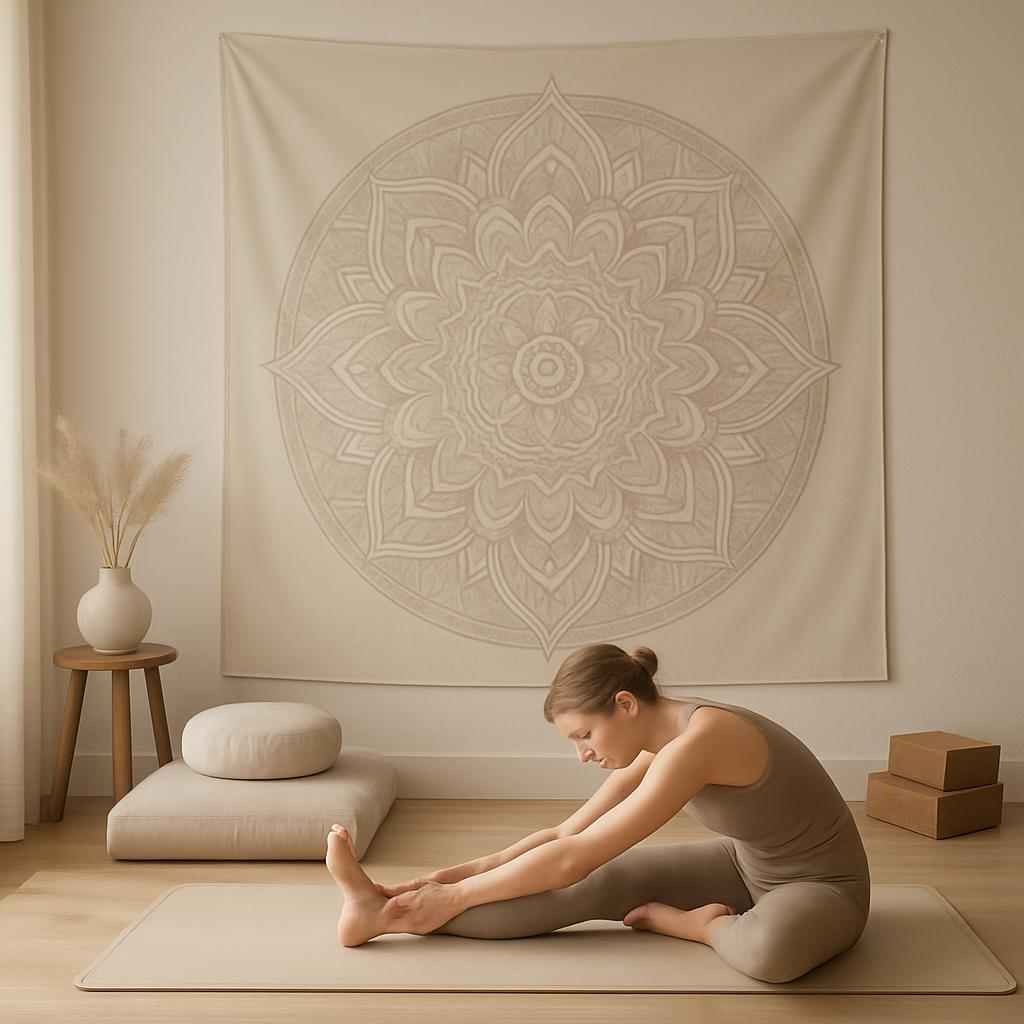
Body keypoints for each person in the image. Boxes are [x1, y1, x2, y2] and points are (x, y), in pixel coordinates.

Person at [325, 642, 871, 983]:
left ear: (625, 704)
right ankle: (381, 914)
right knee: (589, 887)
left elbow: (574, 857)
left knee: (768, 953)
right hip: (743, 866)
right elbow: (565, 834)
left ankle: (699, 926)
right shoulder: (661, 743)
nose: (583, 753)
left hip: (823, 888)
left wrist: (459, 897)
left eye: (585, 734)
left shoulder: (700, 742)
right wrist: (452, 877)